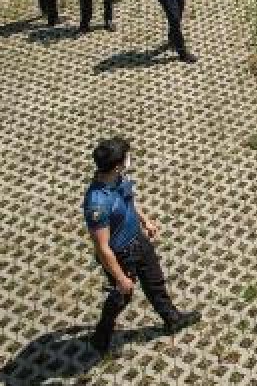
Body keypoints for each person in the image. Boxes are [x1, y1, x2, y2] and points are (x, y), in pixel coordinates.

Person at [83, 138, 201, 356]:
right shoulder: (97, 203)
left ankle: (171, 318)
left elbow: (128, 202)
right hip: (121, 255)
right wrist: (120, 278)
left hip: (138, 241)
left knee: (155, 281)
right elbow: (102, 247)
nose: (130, 160)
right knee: (122, 297)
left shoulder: (117, 178)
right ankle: (101, 336)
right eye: (126, 157)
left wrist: (145, 220)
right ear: (117, 165)